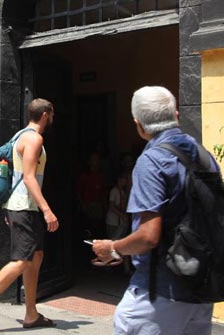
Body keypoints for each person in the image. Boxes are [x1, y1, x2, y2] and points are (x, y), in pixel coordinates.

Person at [92, 86, 217, 335]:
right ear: (177, 115)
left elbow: (148, 235)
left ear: (139, 125)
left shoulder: (151, 161)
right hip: (201, 287)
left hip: (160, 291)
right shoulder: (204, 155)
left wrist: (113, 249)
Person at [0, 98, 59, 334]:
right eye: (52, 114)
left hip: (24, 207)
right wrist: (47, 210)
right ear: (45, 114)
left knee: (36, 255)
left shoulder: (21, 134)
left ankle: (31, 313)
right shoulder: (34, 138)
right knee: (22, 260)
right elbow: (28, 177)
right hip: (24, 207)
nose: (52, 118)